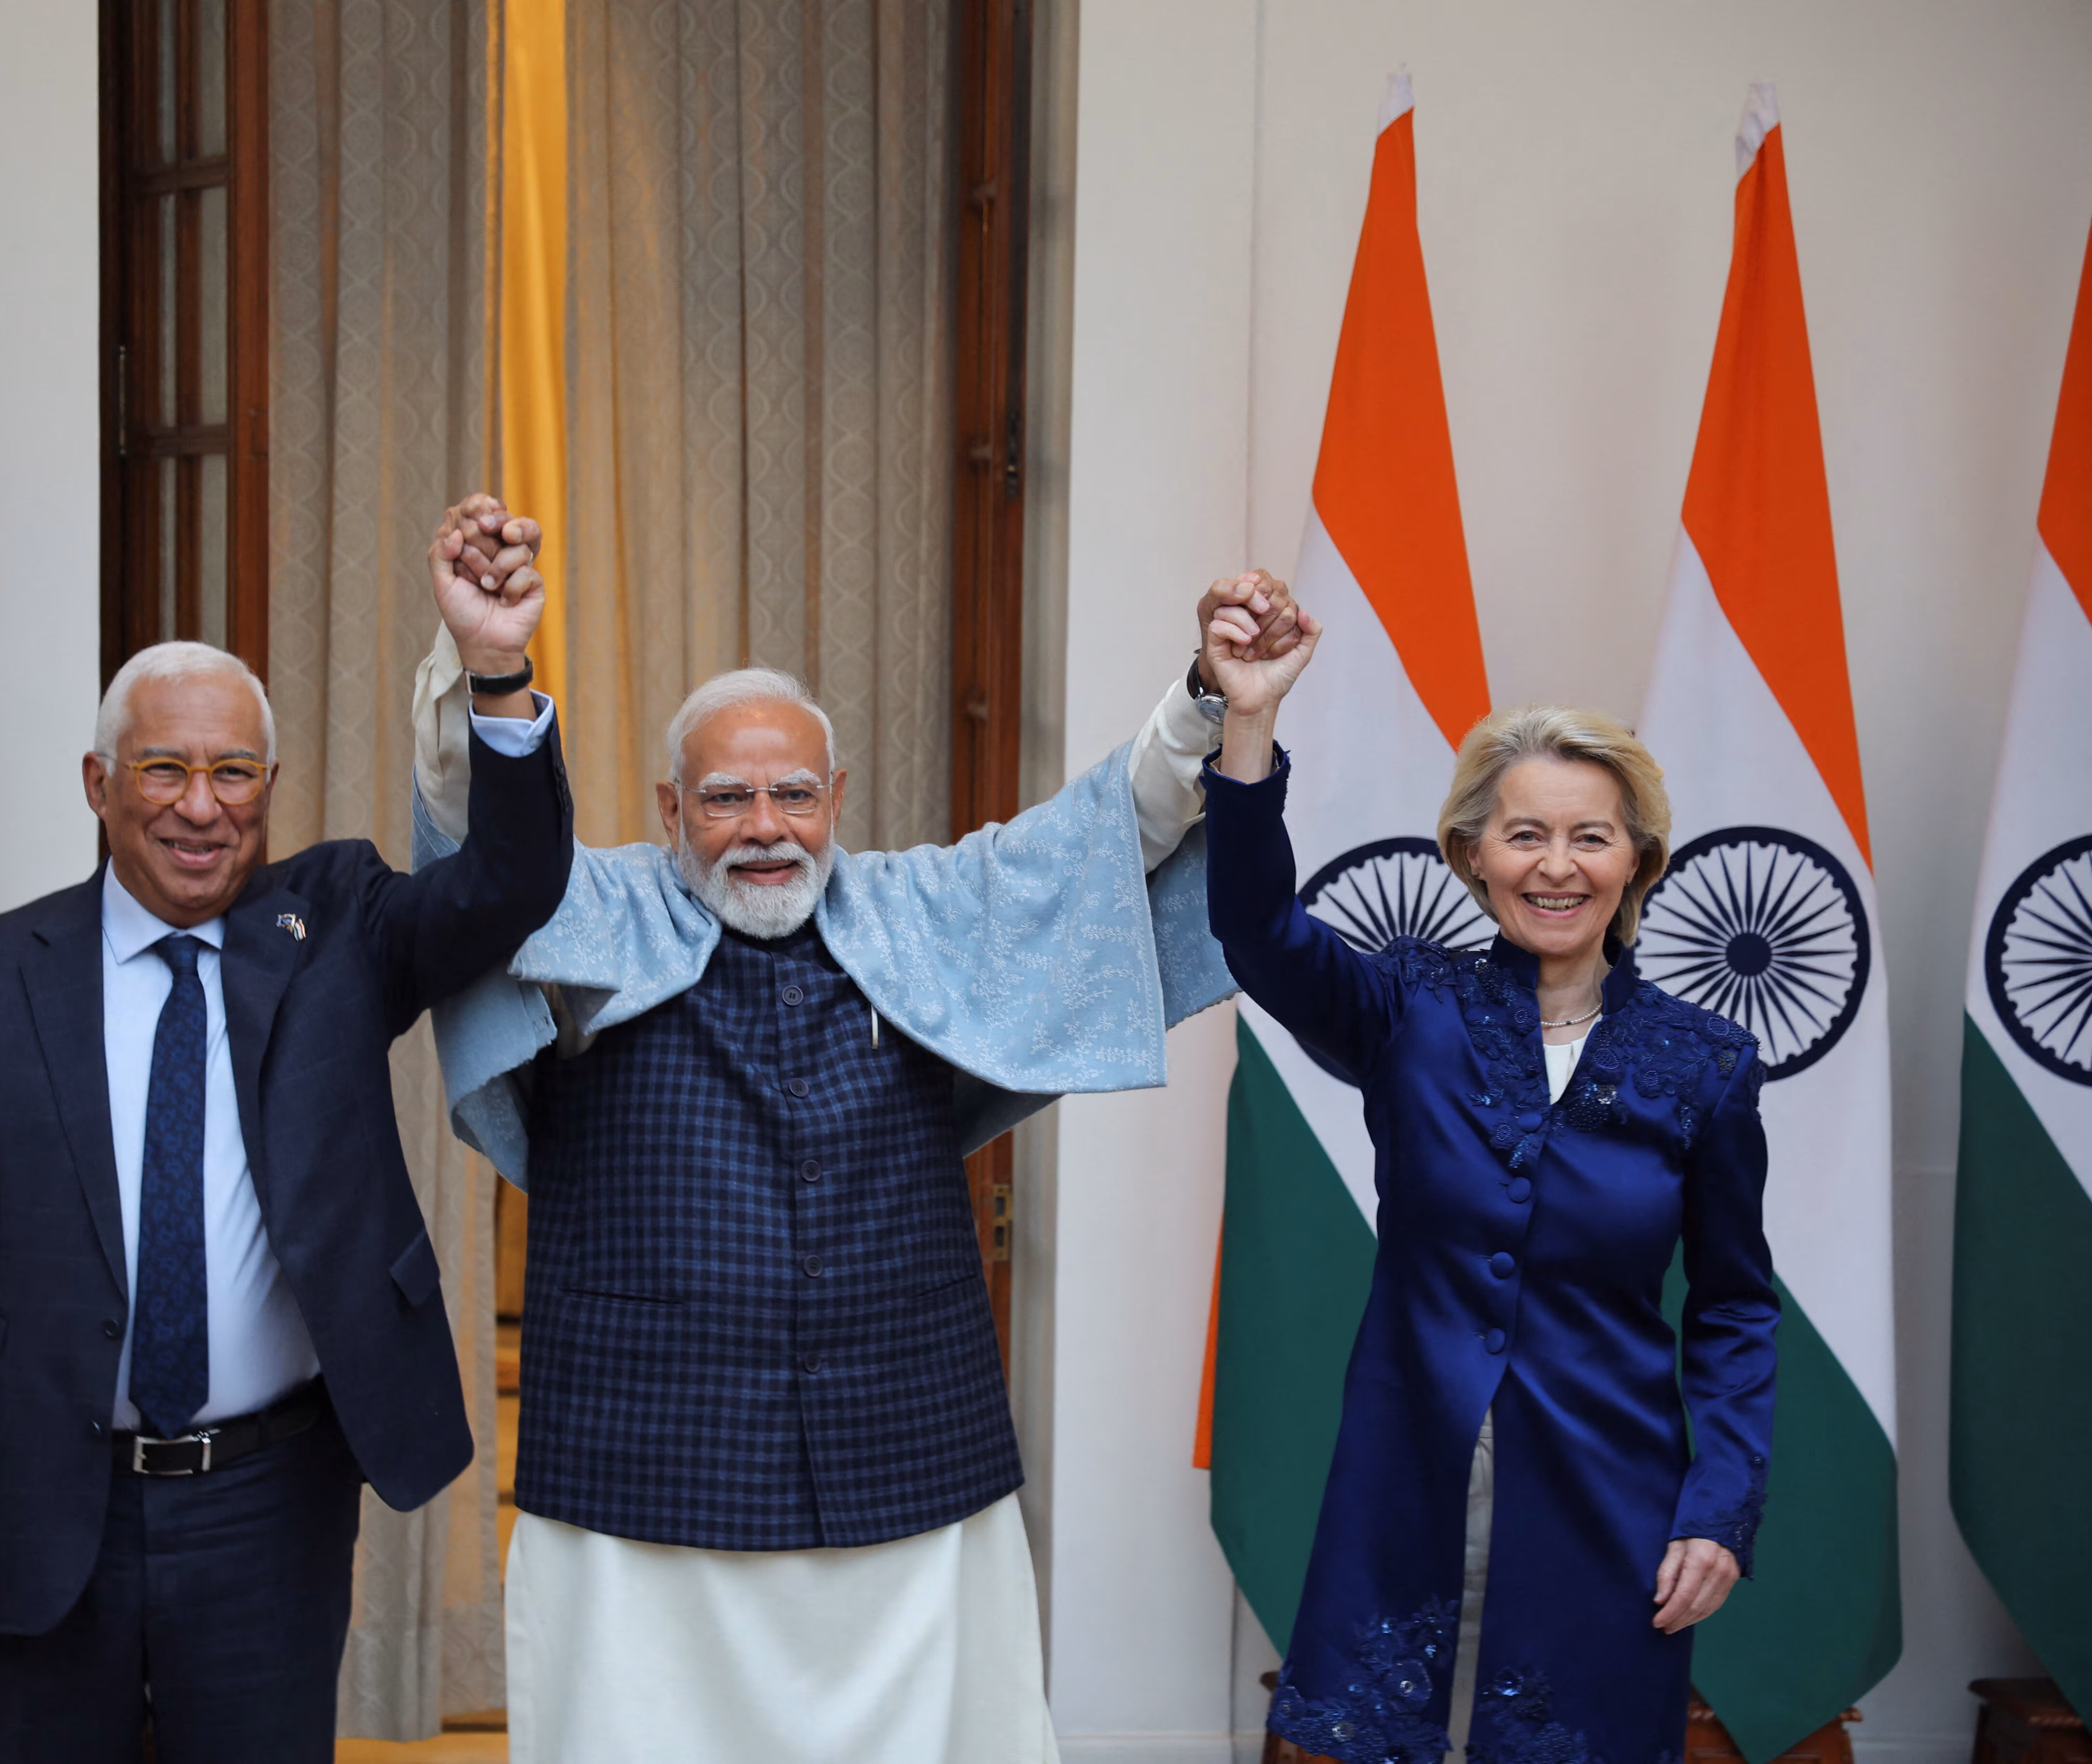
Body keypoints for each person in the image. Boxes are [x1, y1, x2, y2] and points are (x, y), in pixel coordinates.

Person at [411, 502, 1301, 1764]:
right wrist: (493, 667)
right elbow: (478, 837)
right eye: (725, 798)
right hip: (639, 1458)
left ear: (835, 797)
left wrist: (1210, 694)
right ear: (669, 806)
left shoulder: (920, 904)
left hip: (907, 1444)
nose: (764, 827)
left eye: (792, 794)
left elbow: (1109, 835)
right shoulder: (587, 902)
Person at [0, 502, 572, 1764]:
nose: (200, 806)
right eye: (162, 770)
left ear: (268, 789)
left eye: (233, 772)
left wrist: (495, 667)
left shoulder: (336, 927)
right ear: (99, 785)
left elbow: (512, 885)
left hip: (266, 1501)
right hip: (37, 1498)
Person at [1197, 576, 1775, 1764]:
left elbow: (1733, 1307)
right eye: (1524, 834)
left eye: (1590, 835)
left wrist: (1720, 1506)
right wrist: (1248, 719)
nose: (1556, 865)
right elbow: (1255, 927)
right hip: (1407, 1473)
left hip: (1609, 1494)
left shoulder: (1705, 1063)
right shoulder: (1405, 1008)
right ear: (1472, 853)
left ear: (1638, 859)